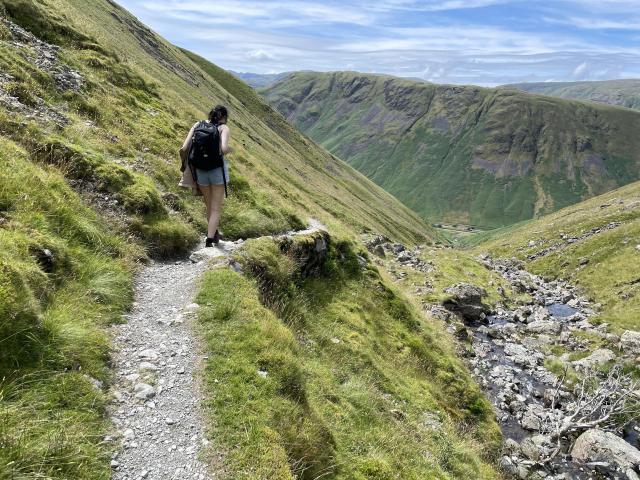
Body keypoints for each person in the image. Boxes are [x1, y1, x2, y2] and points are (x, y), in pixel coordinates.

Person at [179, 105, 232, 247]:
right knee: (215, 208)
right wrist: (231, 149)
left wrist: (184, 166)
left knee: (209, 205)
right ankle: (209, 239)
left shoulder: (198, 124)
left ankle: (213, 234)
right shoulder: (223, 128)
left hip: (200, 171)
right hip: (217, 172)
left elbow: (184, 148)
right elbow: (224, 149)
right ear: (224, 117)